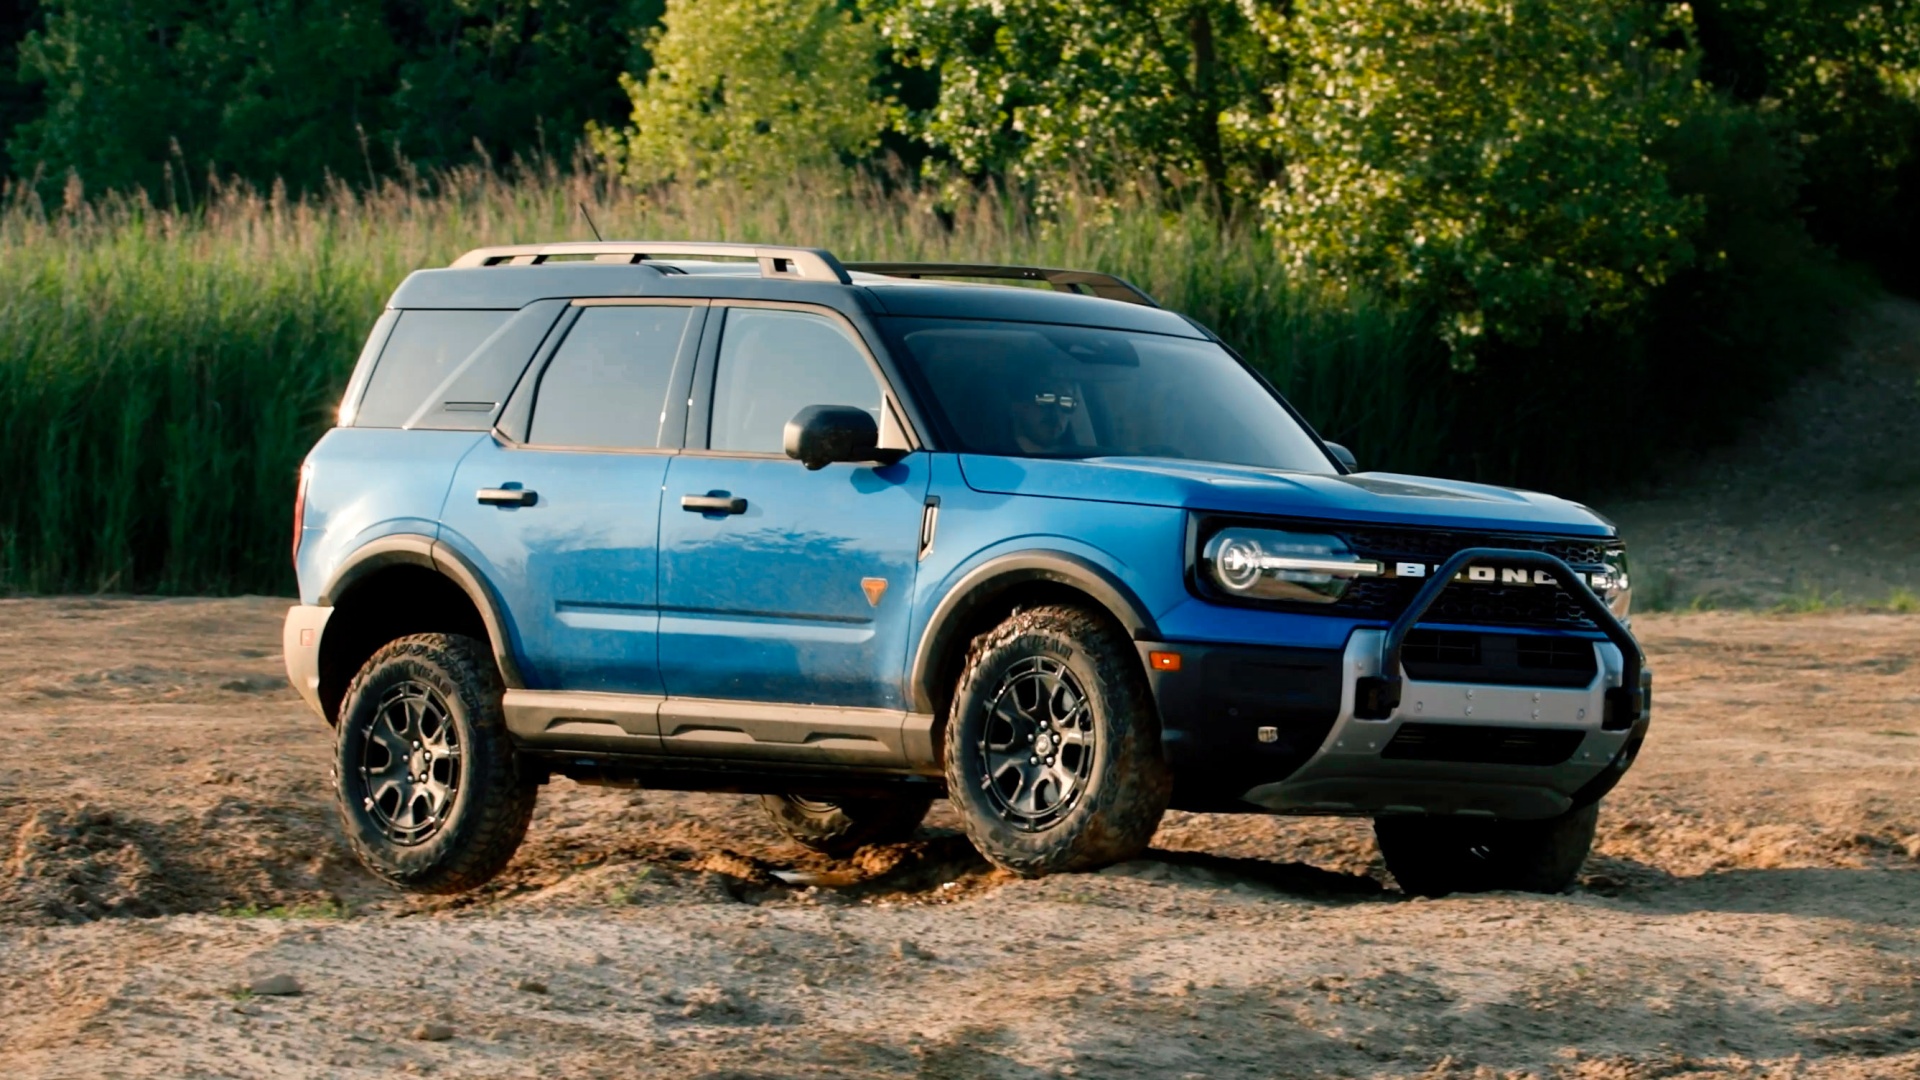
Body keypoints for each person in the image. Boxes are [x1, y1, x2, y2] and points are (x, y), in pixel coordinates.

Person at [1008, 371, 1080, 455]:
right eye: (1046, 400)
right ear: (1017, 405)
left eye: (1066, 402)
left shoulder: (1078, 460)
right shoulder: (996, 461)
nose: (1056, 412)